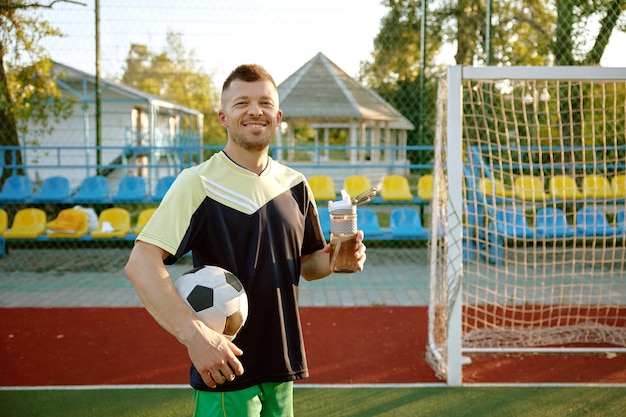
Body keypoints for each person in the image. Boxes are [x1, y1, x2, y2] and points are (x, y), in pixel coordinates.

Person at [125, 63, 367, 417]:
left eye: (265, 103)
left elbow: (309, 265)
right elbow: (140, 264)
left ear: (278, 116)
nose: (255, 110)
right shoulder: (198, 182)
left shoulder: (295, 184)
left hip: (282, 363)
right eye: (242, 104)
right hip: (225, 367)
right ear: (223, 117)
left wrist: (336, 259)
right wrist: (194, 336)